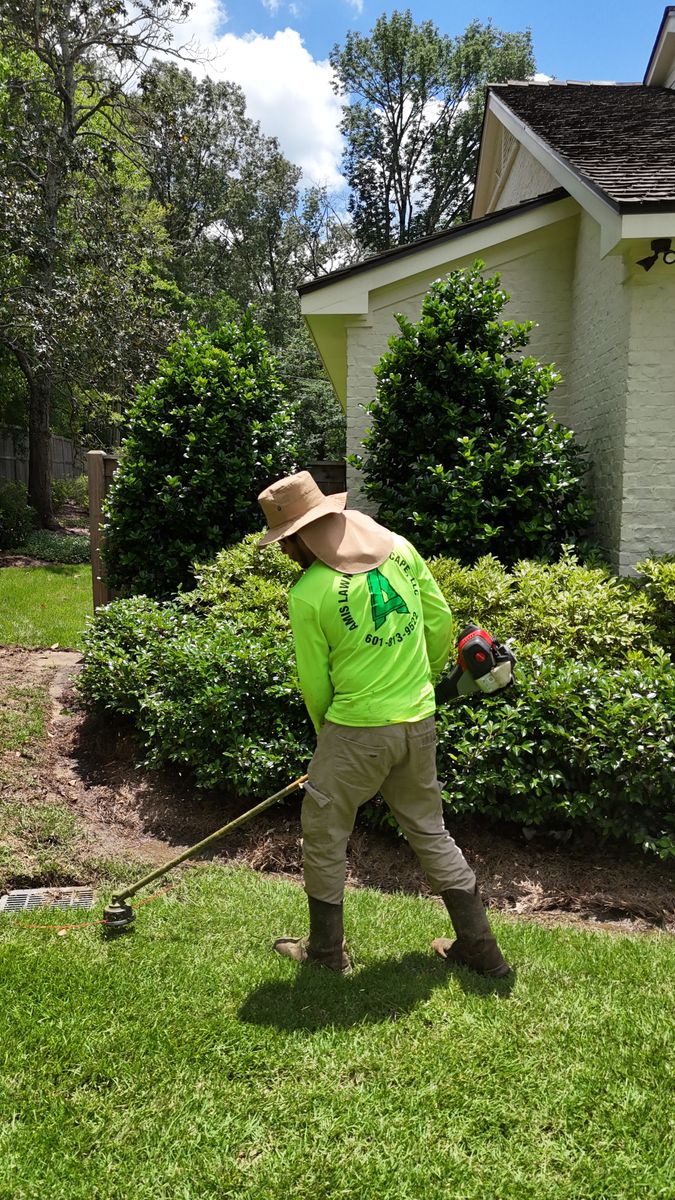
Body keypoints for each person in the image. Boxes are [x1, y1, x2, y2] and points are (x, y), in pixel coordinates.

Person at [257, 471, 510, 978]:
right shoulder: (401, 550)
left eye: (285, 542)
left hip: (354, 730)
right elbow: (439, 622)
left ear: (297, 538)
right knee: (429, 830)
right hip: (418, 720)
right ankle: (481, 951)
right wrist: (421, 682)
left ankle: (327, 953)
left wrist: (328, 741)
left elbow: (316, 685)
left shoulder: (308, 593)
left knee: (325, 832)